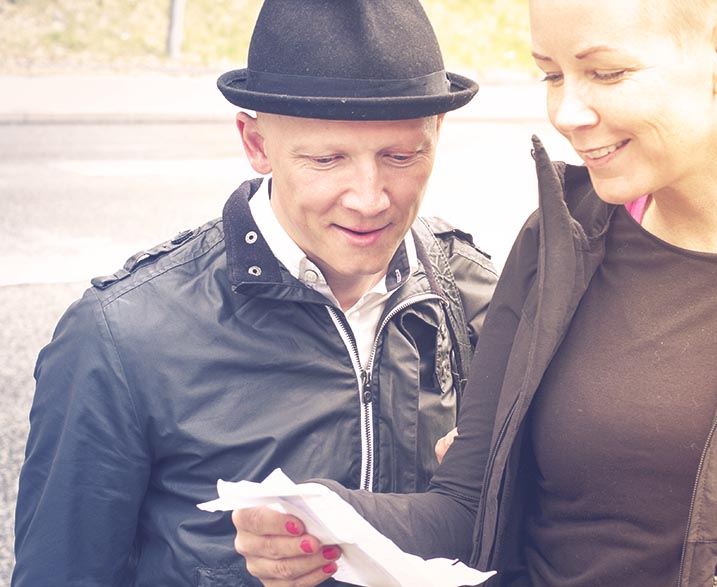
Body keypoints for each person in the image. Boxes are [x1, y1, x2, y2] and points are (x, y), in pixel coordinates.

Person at [231, 0, 717, 586]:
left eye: (605, 73)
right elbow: (466, 508)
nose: (567, 113)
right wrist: (323, 514)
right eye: (551, 73)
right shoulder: (557, 240)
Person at [12, 1, 498, 585]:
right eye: (327, 159)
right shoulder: (122, 336)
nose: (370, 198)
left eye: (401, 156)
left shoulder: (480, 297)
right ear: (256, 142)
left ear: (437, 134)